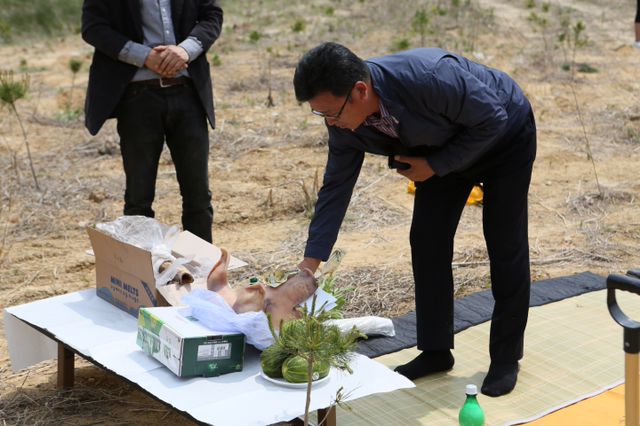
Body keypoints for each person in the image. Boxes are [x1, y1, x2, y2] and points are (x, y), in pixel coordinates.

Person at [294, 42, 536, 397]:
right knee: (427, 240)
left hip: (503, 136)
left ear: (360, 91)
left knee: (505, 243)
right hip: (438, 149)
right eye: (320, 115)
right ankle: (436, 350)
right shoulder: (344, 122)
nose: (330, 122)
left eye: (331, 113)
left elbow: (493, 118)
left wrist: (435, 166)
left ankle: (505, 357)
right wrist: (307, 268)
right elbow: (336, 188)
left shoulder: (430, 77)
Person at [81, 0, 223, 243]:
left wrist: (185, 50)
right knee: (139, 200)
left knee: (198, 196)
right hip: (137, 98)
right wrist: (143, 56)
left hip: (189, 92)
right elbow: (93, 27)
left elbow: (212, 14)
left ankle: (200, 265)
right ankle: (140, 268)